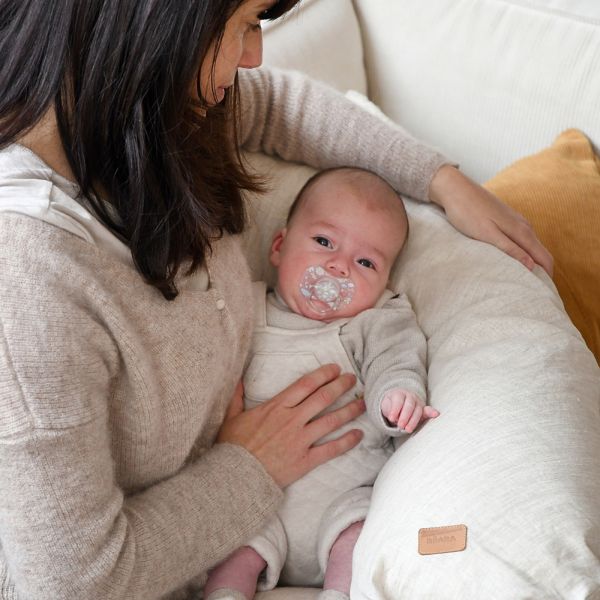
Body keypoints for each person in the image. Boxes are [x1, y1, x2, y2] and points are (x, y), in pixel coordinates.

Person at [0, 1, 552, 599]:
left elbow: (278, 104)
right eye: (245, 23)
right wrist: (251, 467)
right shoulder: (31, 279)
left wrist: (442, 180)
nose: (256, 54)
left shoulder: (149, 110)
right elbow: (72, 583)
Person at [203, 167, 440, 600]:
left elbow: (397, 359)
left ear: (385, 282)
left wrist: (398, 396)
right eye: (325, 242)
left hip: (344, 497)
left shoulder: (375, 320)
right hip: (256, 502)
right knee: (229, 542)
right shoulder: (245, 306)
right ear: (279, 246)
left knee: (359, 534)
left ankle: (339, 592)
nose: (339, 267)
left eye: (365, 262)